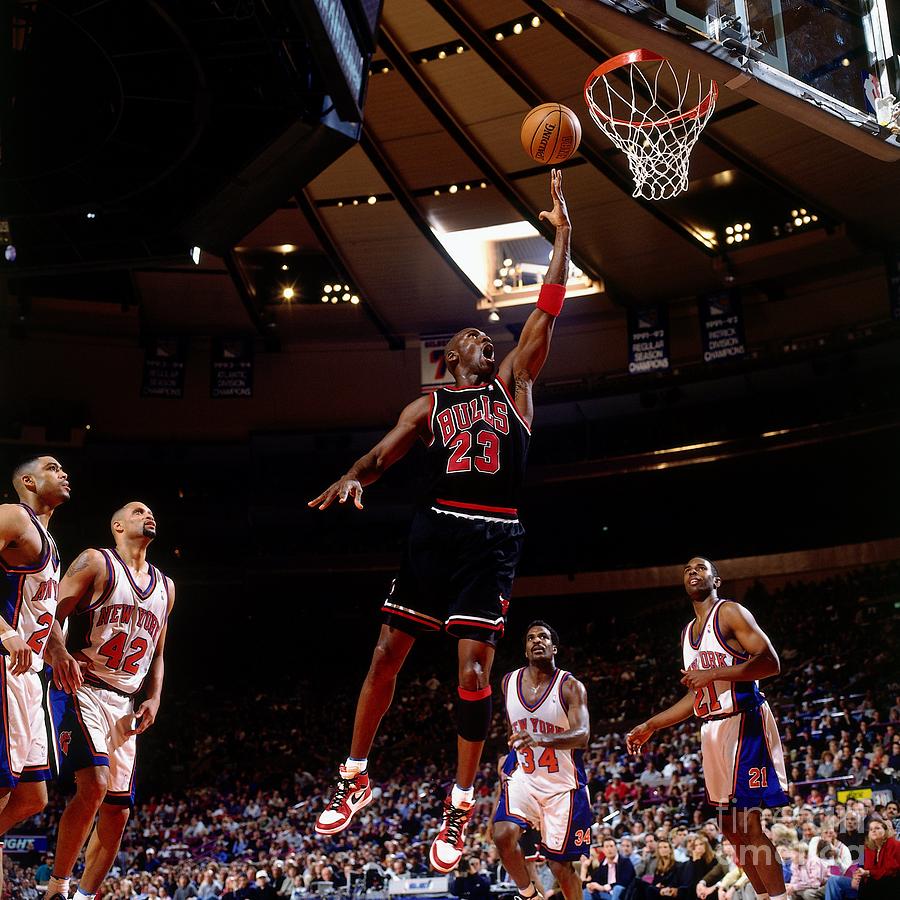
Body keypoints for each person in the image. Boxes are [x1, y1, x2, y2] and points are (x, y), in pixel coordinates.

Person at [310, 169, 573, 874]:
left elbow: (547, 310)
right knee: (386, 655)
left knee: (474, 672)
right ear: (448, 357)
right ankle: (355, 775)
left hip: (493, 537)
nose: (485, 339)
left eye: (490, 338)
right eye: (473, 338)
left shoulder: (516, 385)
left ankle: (459, 801)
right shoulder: (427, 406)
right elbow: (380, 456)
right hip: (437, 528)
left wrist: (563, 238)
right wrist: (350, 477)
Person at [626, 557, 791, 900]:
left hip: (745, 720)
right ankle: (763, 897)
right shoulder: (688, 633)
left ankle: (779, 898)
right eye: (686, 569)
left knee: (748, 823)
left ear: (717, 579)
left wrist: (713, 674)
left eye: (701, 568)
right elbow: (694, 695)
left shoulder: (730, 613)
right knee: (730, 828)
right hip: (712, 730)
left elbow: (770, 662)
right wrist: (651, 724)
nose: (692, 572)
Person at [43, 501, 175, 900]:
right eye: (137, 511)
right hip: (82, 685)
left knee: (118, 813)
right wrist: (60, 653)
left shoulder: (167, 587)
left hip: (126, 704)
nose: (148, 514)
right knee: (95, 784)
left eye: (151, 511)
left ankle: (84, 896)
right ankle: (57, 887)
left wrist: (154, 696)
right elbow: (48, 615)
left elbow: (158, 653)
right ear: (117, 524)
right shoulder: (96, 561)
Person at [0, 457, 82, 898]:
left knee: (33, 797)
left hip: (32, 676)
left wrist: (60, 652)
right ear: (29, 481)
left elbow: (42, 616)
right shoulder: (11, 515)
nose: (64, 473)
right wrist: (5, 631)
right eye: (54, 467)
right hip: (4, 666)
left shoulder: (49, 540)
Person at [492, 622, 590, 900]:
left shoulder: (571, 687)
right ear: (525, 649)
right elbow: (515, 727)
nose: (537, 641)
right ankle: (529, 894)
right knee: (502, 835)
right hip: (526, 775)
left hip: (562, 785)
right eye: (531, 637)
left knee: (560, 867)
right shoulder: (508, 682)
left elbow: (583, 736)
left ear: (554, 647)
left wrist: (540, 738)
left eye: (544, 637)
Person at [824, 817, 900, 900]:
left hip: (886, 883)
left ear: (886, 831)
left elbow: (891, 870)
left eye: (877, 828)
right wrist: (856, 876)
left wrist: (867, 873)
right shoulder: (868, 848)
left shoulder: (895, 845)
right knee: (833, 880)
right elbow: (860, 867)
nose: (873, 831)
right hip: (866, 881)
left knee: (868, 885)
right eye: (871, 829)